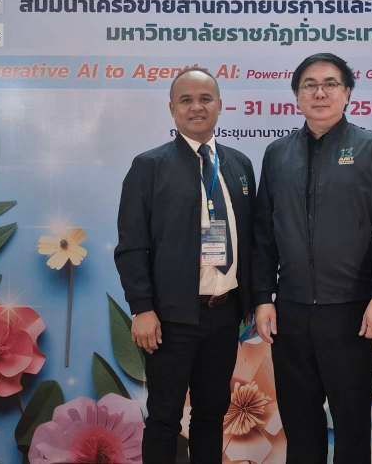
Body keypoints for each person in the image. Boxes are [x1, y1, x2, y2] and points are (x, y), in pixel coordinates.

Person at [252, 52, 372, 463]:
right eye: (310, 85)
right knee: (300, 425)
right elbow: (263, 234)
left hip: (352, 312)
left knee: (352, 425)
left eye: (330, 84)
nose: (319, 93)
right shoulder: (277, 153)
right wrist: (263, 298)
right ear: (297, 95)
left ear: (348, 93)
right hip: (291, 313)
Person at [114, 68, 256, 464]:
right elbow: (132, 245)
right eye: (186, 100)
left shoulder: (239, 165)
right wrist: (142, 308)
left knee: (211, 414)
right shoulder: (149, 166)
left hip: (224, 314)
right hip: (170, 318)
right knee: (164, 417)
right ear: (172, 109)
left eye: (205, 99)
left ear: (220, 105)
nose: (197, 107)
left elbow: (254, 239)